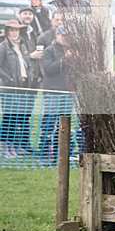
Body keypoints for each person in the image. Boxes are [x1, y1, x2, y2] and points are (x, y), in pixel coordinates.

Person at [39, 25, 75, 165]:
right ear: (57, 35)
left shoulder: (73, 51)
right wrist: (64, 59)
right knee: (49, 124)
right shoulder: (49, 50)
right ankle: (45, 155)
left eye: (68, 35)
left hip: (68, 93)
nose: (65, 37)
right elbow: (48, 70)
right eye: (63, 35)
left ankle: (62, 155)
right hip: (53, 93)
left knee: (64, 125)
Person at [0, 19, 33, 159]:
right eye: (12, 30)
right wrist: (9, 79)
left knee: (18, 117)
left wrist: (30, 76)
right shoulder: (3, 47)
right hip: (9, 89)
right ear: (7, 32)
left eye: (17, 30)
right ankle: (4, 147)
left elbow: (28, 64)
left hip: (22, 88)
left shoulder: (23, 46)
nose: (14, 33)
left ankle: (13, 147)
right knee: (9, 119)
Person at [18, 7, 43, 89]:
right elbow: (11, 54)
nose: (27, 16)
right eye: (25, 14)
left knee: (31, 101)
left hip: (34, 77)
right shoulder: (14, 32)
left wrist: (39, 73)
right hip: (21, 77)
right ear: (19, 15)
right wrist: (30, 56)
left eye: (30, 14)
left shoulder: (33, 33)